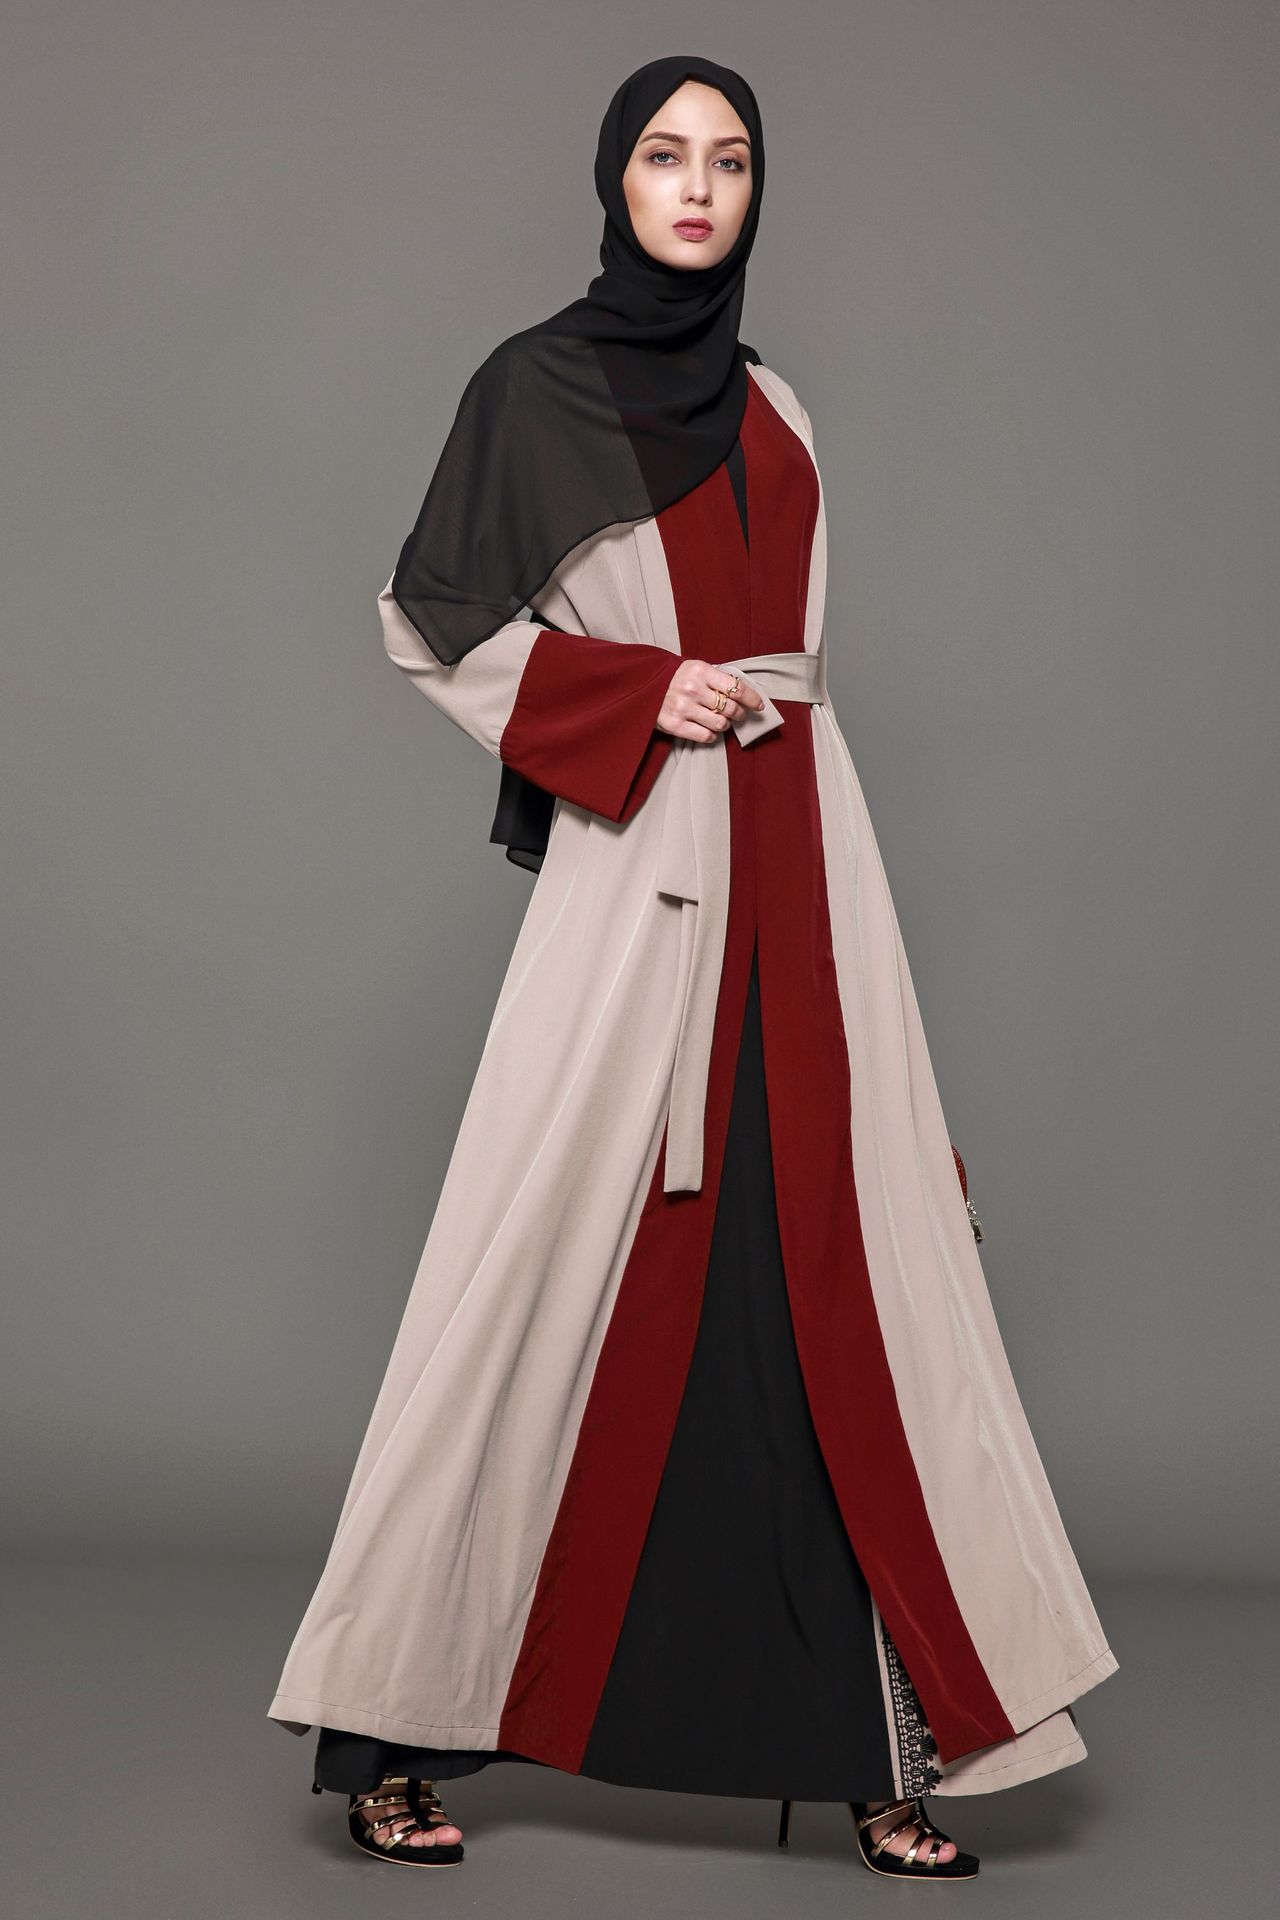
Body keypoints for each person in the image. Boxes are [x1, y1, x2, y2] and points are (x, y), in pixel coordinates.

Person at [267, 54, 1117, 1882]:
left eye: (730, 160)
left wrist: (776, 781)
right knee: (535, 1278)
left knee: (842, 1288)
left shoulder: (782, 407)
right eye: (666, 155)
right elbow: (429, 621)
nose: (699, 187)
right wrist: (641, 693)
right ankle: (389, 1729)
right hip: (643, 873)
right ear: (616, 179)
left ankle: (884, 1749)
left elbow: (801, 662)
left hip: (810, 876)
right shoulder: (537, 389)